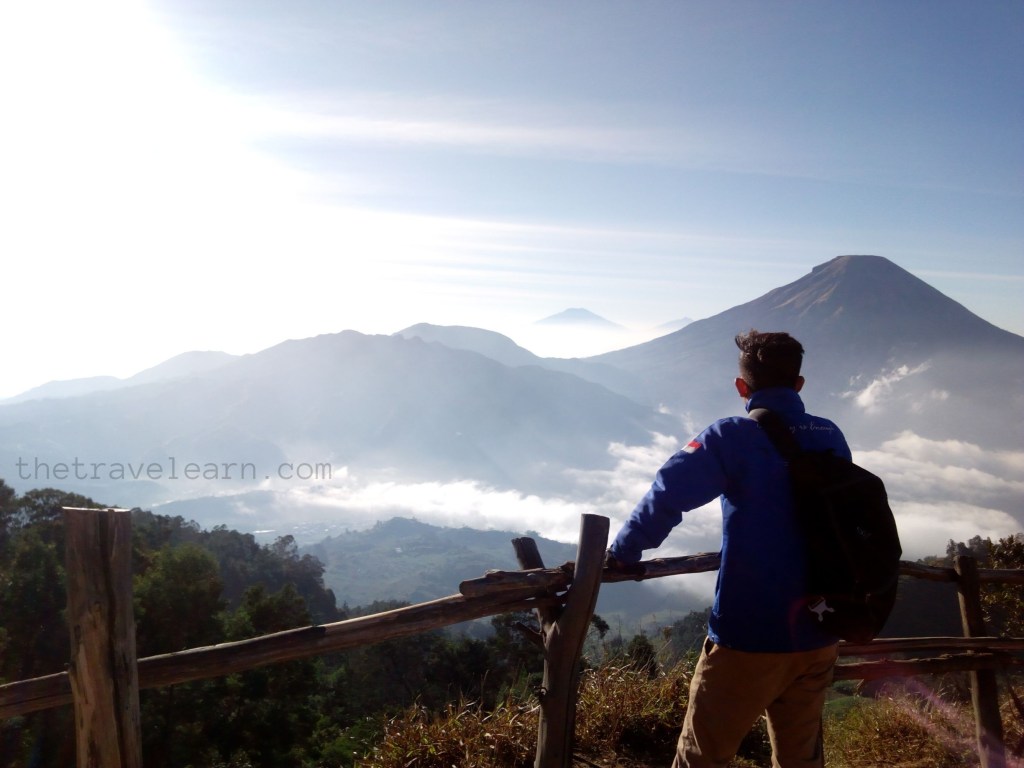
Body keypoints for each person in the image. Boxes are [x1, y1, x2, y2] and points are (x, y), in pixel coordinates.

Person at [606, 329, 851, 768]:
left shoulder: (731, 435)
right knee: (800, 760)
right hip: (819, 630)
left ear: (742, 386)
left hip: (749, 634)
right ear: (799, 384)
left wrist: (624, 552)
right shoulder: (829, 434)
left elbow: (668, 492)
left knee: (702, 758)